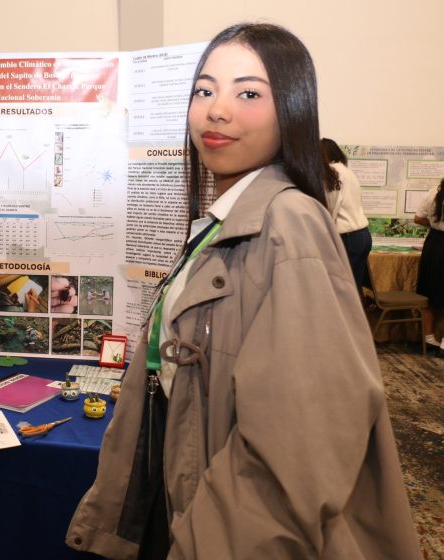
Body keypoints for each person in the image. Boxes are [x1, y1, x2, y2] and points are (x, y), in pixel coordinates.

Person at [67, 23, 421, 559]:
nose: (217, 110)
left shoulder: (289, 223)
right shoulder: (225, 220)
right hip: (191, 494)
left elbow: (300, 444)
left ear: (292, 111)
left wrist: (204, 542)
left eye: (248, 93)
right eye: (204, 90)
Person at [321, 137, 372, 293]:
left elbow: (331, 207)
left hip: (347, 237)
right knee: (354, 286)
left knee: (344, 288)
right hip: (362, 235)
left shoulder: (331, 173)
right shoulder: (348, 172)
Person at [414, 177, 444, 354]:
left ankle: (429, 339)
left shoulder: (433, 192)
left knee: (428, 292)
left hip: (433, 244)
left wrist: (435, 224)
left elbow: (418, 218)